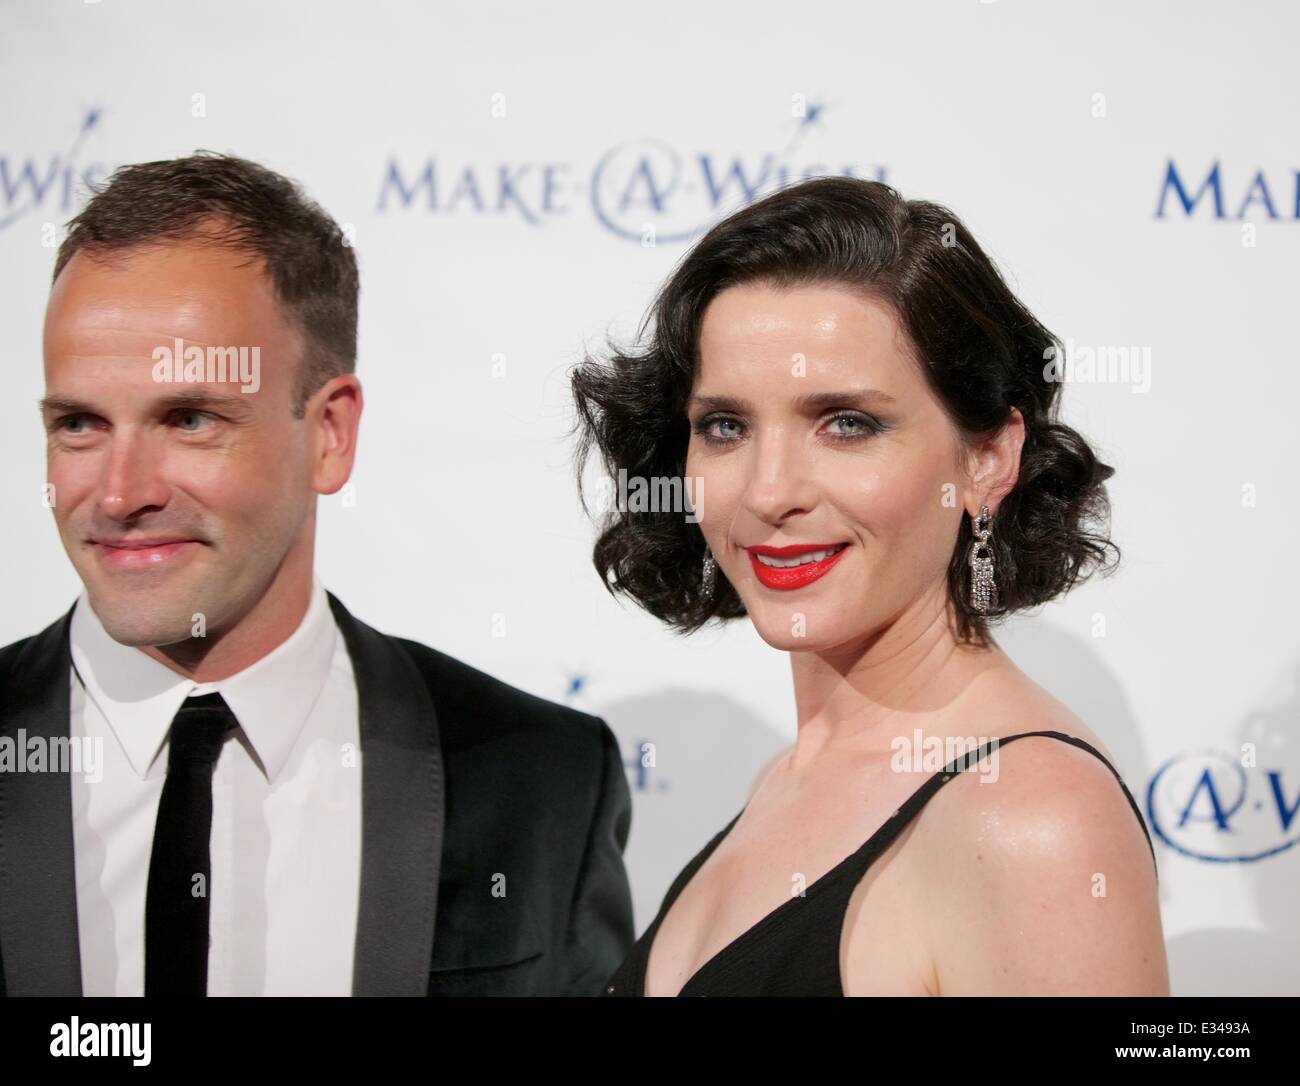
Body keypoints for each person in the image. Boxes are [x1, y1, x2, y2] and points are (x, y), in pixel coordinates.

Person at [0, 151, 633, 996]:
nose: (119, 493)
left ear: (329, 434)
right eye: (78, 424)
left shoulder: (538, 778)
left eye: (189, 419)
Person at [570, 176, 1168, 996]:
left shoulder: (1032, 821)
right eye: (725, 426)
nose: (769, 490)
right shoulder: (787, 780)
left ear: (987, 458)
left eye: (846, 423)